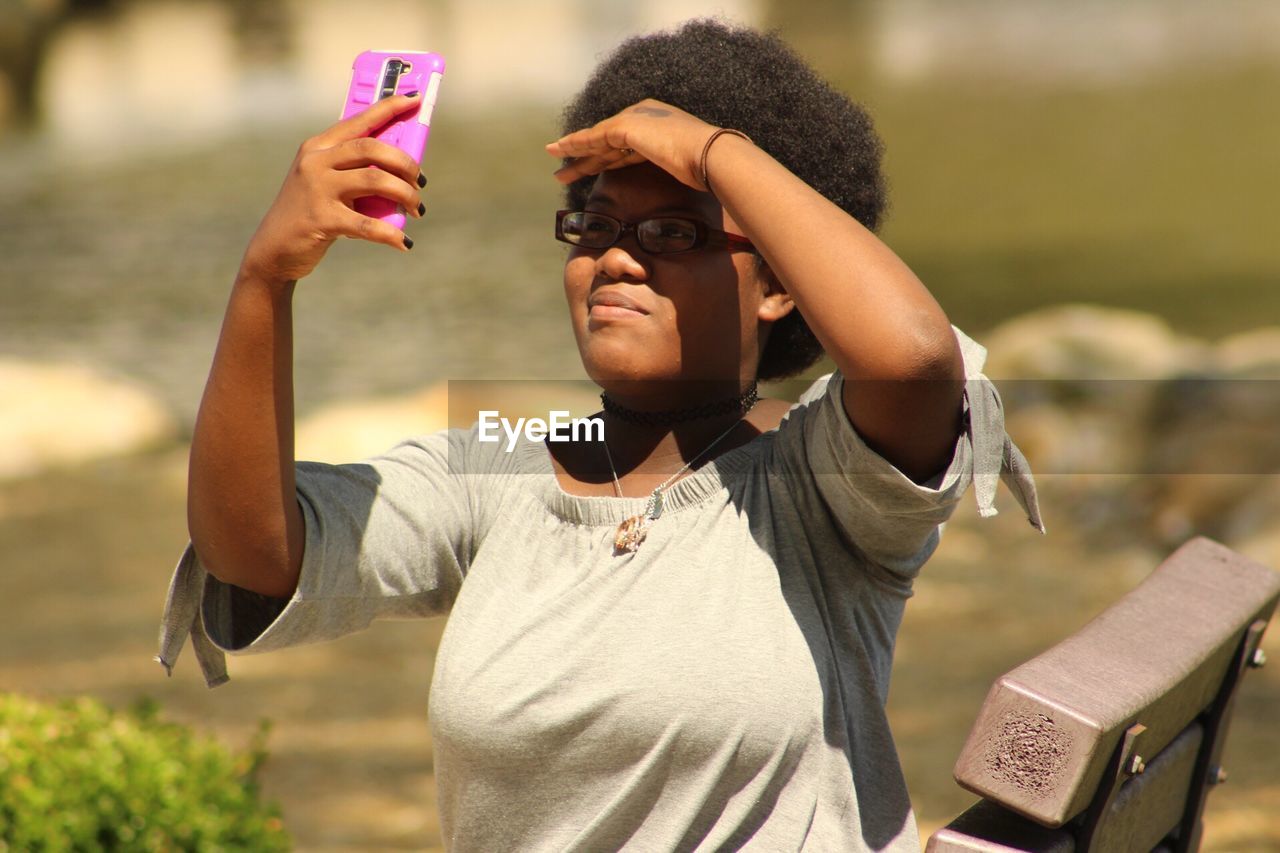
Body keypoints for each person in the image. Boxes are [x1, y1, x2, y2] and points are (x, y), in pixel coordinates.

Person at [159, 19, 1041, 852]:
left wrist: (713, 150)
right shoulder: (487, 476)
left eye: (671, 232)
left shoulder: (820, 488)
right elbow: (252, 554)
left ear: (778, 287)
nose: (616, 257)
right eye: (595, 224)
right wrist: (264, 277)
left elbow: (915, 357)